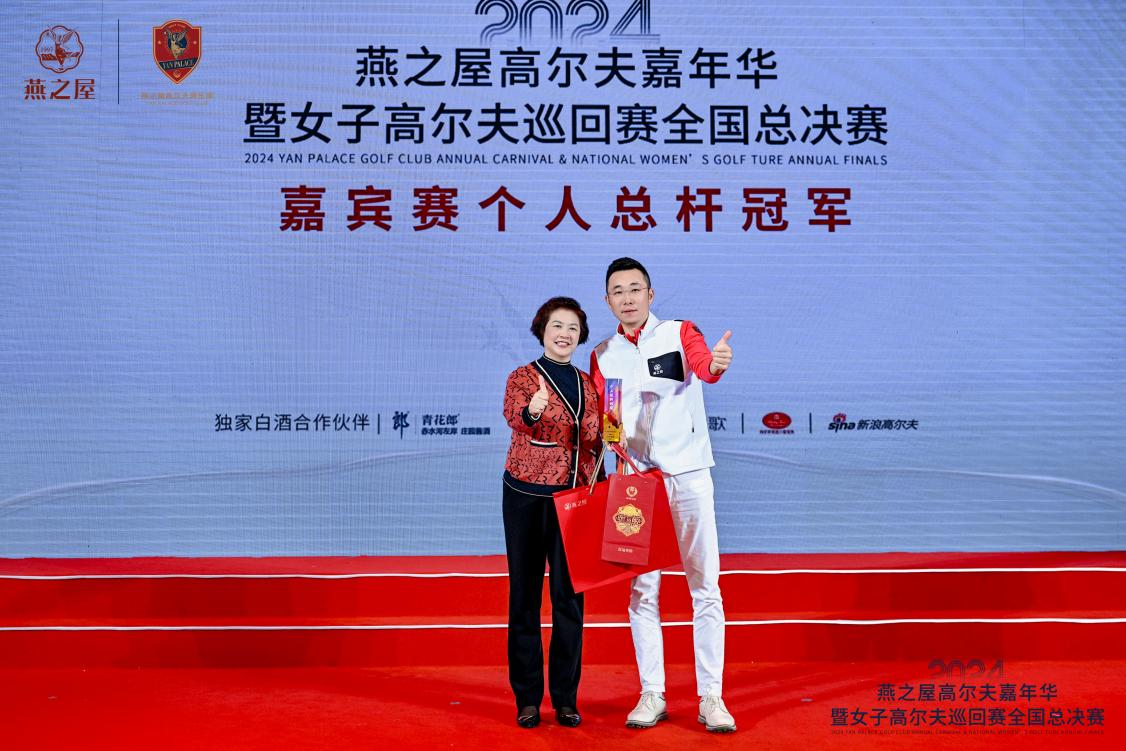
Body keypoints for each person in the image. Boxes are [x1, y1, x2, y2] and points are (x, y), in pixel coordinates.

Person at [589, 258, 737, 733]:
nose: (627, 298)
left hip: (689, 474)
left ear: (651, 295)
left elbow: (705, 368)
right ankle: (652, 692)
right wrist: (615, 452)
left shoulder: (680, 332)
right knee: (642, 590)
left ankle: (711, 697)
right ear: (607, 301)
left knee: (705, 586)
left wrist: (715, 364)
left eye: (635, 289)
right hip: (637, 484)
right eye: (618, 291)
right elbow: (609, 417)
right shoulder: (604, 354)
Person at [501, 296, 602, 729]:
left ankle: (565, 699)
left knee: (569, 601)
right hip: (525, 496)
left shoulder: (588, 383)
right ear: (542, 330)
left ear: (580, 337)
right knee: (524, 597)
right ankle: (527, 698)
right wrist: (533, 409)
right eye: (557, 326)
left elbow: (596, 436)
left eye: (573, 328)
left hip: (574, 500)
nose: (564, 334)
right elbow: (515, 417)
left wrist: (612, 434)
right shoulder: (523, 377)